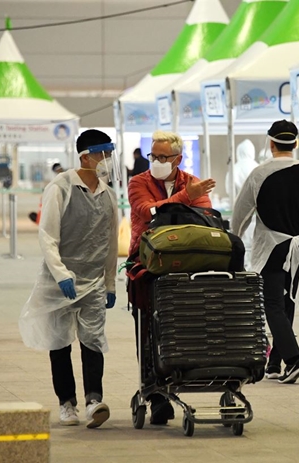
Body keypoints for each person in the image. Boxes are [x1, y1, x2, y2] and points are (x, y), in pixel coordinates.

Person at [19, 130, 118, 429]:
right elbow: (47, 236)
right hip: (60, 279)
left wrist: (110, 283)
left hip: (93, 280)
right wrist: (61, 274)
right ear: (85, 156)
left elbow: (111, 242)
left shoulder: (108, 194)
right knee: (60, 342)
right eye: (102, 154)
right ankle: (66, 403)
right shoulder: (60, 187)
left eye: (109, 154)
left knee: (93, 340)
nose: (107, 161)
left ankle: (94, 400)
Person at [127, 130, 215, 425]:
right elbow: (147, 212)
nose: (157, 161)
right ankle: (156, 397)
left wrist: (186, 199)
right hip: (146, 264)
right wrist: (184, 199)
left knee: (185, 327)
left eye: (164, 157)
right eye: (154, 155)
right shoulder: (138, 182)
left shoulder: (192, 183)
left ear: (178, 158)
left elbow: (202, 219)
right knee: (149, 332)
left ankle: (186, 378)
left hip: (186, 264)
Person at [232, 120, 299, 384]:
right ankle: (274, 363)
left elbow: (241, 215)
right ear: (295, 144)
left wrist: (233, 243)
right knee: (288, 302)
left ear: (271, 143)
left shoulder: (259, 173)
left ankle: (295, 361)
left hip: (272, 248)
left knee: (272, 304)